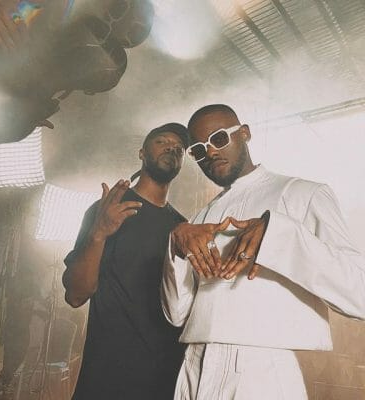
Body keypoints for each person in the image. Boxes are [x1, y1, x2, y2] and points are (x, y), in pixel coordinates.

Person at [161, 104, 365, 400]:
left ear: (244, 133)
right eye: (199, 150)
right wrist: (177, 247)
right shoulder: (199, 219)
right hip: (194, 365)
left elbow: (359, 294)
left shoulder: (303, 194)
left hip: (259, 372)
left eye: (219, 138)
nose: (211, 152)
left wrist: (278, 234)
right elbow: (176, 315)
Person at [63, 123, 189, 400]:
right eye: (162, 142)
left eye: (179, 148)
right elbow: (75, 295)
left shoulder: (182, 227)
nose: (172, 148)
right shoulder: (109, 209)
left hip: (165, 378)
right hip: (108, 376)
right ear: (142, 153)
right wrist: (99, 233)